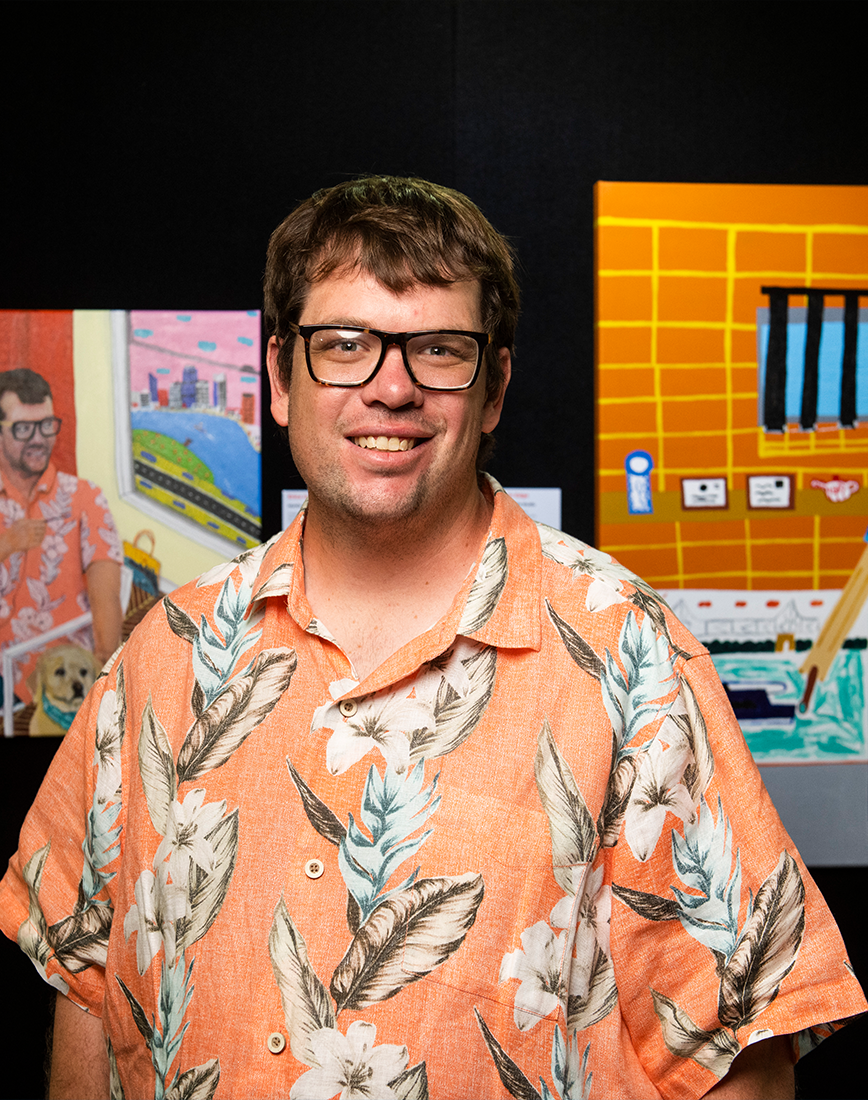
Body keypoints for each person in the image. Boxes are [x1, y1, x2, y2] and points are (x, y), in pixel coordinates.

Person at [0, 178, 864, 1100]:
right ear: (281, 377)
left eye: (440, 349)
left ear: (493, 389)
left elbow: (738, 1052)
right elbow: (86, 984)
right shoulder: (164, 655)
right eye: (345, 345)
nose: (392, 387)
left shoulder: (629, 659)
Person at [0, 369, 123, 707]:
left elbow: (106, 594)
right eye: (23, 428)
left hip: (53, 672)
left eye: (46, 425)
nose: (38, 439)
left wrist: (105, 673)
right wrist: (8, 544)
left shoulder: (84, 498)